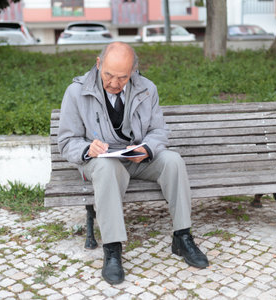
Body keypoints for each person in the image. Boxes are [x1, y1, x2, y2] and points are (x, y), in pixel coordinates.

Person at [57, 42, 209, 285]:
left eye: (122, 77)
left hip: (136, 158)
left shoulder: (147, 88)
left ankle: (182, 236)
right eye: (108, 75)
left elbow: (158, 131)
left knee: (173, 161)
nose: (115, 83)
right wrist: (88, 148)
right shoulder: (75, 93)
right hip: (100, 161)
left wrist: (147, 148)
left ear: (133, 71)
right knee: (107, 168)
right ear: (98, 64)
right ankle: (112, 249)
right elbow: (66, 141)